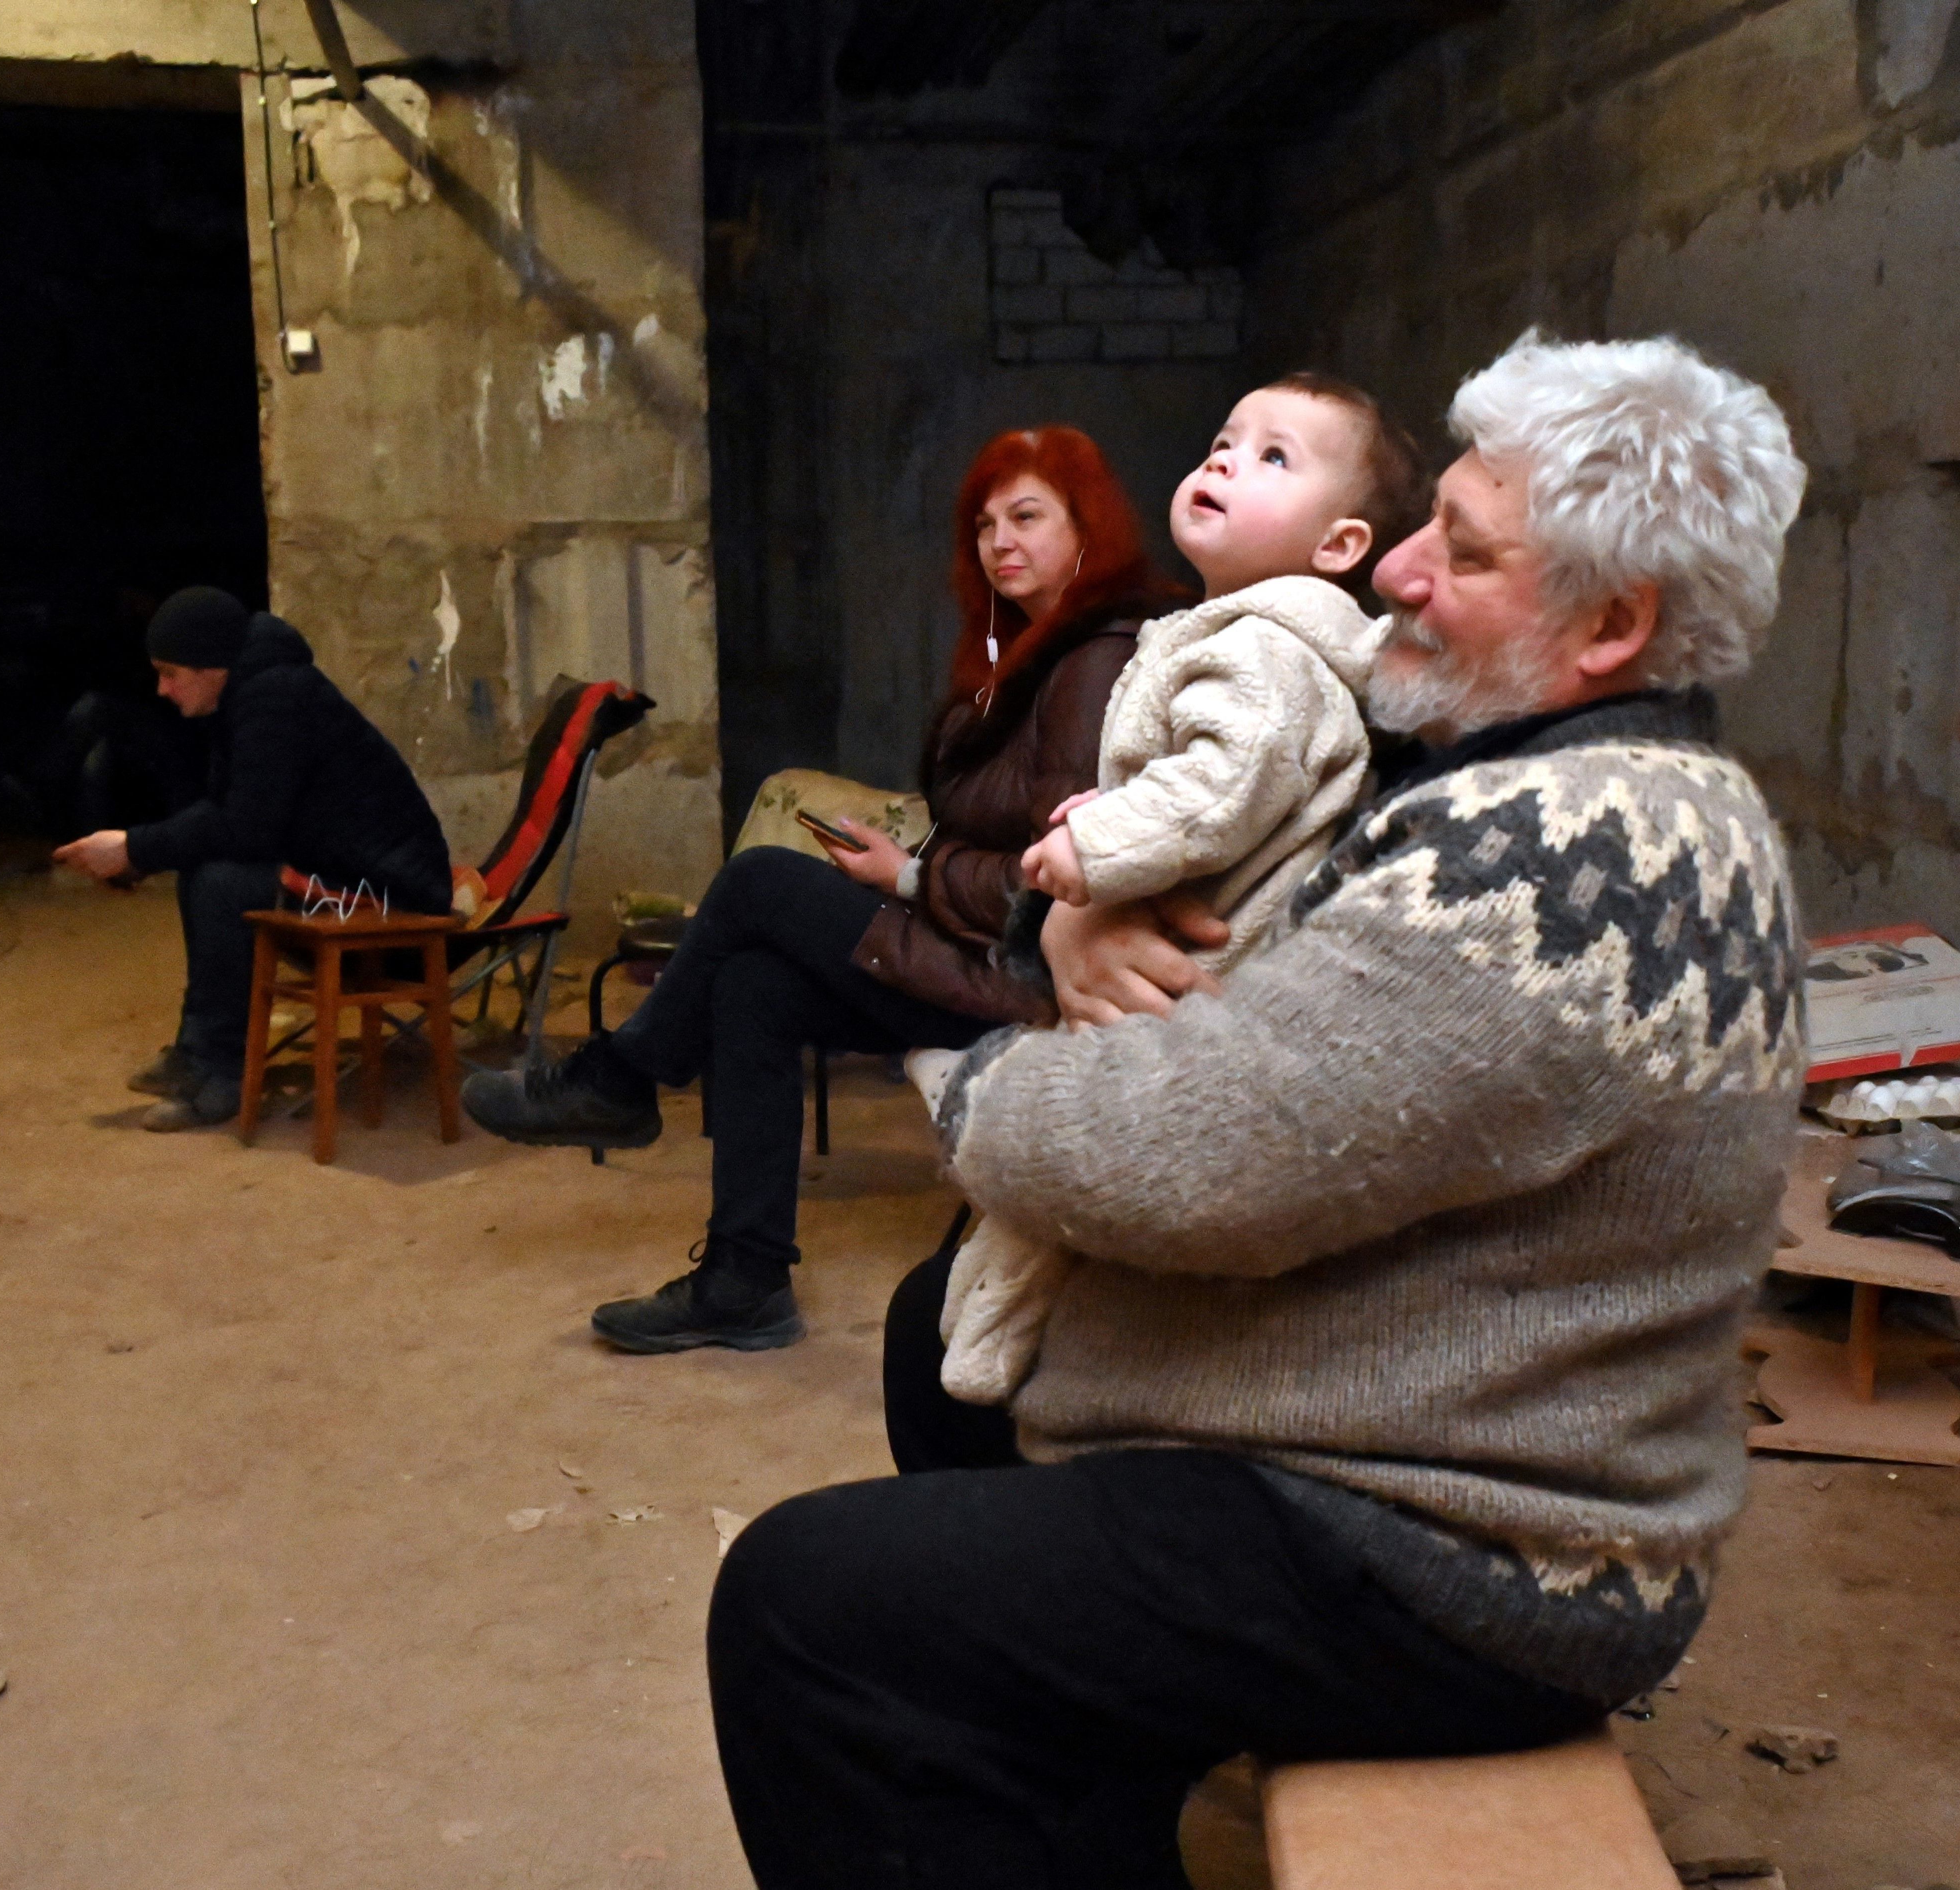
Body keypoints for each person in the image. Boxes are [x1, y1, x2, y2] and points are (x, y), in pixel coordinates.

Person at [705, 331, 1813, 1890]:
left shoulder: (1583, 857)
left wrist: (975, 1081)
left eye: (1467, 550)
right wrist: (1079, 936)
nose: (1405, 572)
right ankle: (1070, 1799)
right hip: (1458, 1449)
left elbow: (1196, 1160)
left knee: (802, 1607)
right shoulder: (1566, 780)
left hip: (1481, 1552)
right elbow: (1265, 969)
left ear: (1611, 624)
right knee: (933, 1340)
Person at [460, 427, 1186, 1356]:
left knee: (760, 880)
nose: (1000, 539)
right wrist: (911, 859)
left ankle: (618, 1080)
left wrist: (912, 875)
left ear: (1087, 530)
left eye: (1028, 517)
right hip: (974, 952)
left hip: (1029, 976)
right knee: (750, 985)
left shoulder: (1094, 663)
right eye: (985, 524)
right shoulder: (1022, 654)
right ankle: (742, 1282)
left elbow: (1056, 878)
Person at [936, 372, 1428, 1406]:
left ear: (1339, 548)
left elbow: (1218, 789)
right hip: (1156, 937)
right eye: (1223, 439)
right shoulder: (1217, 633)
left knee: (1070, 1170)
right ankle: (969, 1311)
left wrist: (1093, 851)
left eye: (1272, 457)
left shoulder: (1270, 654)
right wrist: (1092, 855)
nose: (1224, 460)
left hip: (1209, 958)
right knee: (1049, 1170)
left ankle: (979, 1354)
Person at [52, 588, 451, 1131]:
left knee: (224, 884)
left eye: (171, 673)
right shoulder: (246, 693)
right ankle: (200, 1053)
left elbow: (247, 826)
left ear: (211, 665)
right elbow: (226, 813)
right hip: (349, 875)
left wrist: (134, 847)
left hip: (394, 899)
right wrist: (139, 860)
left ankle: (224, 1075)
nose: (162, 689)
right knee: (207, 870)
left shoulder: (275, 697)